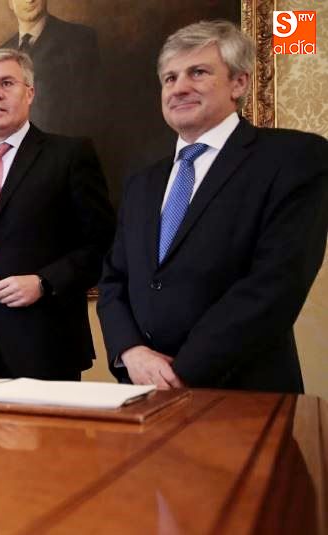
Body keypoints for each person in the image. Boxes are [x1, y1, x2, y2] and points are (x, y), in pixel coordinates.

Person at [97, 20, 328, 393]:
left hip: (243, 393)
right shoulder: (142, 182)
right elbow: (114, 281)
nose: (179, 87)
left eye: (198, 72)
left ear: (239, 83)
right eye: (169, 78)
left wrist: (181, 373)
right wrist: (131, 351)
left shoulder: (294, 158)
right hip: (142, 392)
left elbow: (275, 283)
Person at [0, 48, 114, 379]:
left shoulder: (70, 155)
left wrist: (44, 282)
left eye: (6, 83)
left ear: (29, 92)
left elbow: (103, 245)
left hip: (50, 344)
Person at [1, 0, 100, 138]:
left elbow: (90, 114)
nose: (30, 0)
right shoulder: (0, 55)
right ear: (10, 3)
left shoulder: (79, 40)